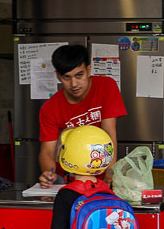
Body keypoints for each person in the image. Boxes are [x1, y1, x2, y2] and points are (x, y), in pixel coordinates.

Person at [38, 44, 127, 187]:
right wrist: (49, 173)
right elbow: (47, 152)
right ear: (58, 76)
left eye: (79, 75)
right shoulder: (49, 108)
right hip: (70, 179)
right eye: (66, 77)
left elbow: (110, 134)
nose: (74, 84)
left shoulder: (106, 87)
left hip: (102, 175)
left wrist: (110, 172)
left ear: (88, 70)